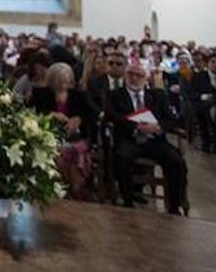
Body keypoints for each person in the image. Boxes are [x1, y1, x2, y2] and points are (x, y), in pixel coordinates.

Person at [108, 58, 187, 215]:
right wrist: (137, 126)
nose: (134, 78)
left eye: (139, 75)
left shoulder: (158, 95)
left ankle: (174, 206)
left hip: (154, 140)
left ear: (146, 78)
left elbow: (173, 119)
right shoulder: (115, 95)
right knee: (122, 157)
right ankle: (127, 201)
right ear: (125, 75)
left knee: (176, 161)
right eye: (131, 74)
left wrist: (158, 127)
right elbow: (112, 116)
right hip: (129, 138)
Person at [31, 62, 96, 199]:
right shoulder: (41, 94)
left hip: (75, 138)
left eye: (66, 79)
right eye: (59, 80)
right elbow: (31, 112)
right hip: (50, 137)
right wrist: (51, 114)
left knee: (77, 151)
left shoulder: (79, 95)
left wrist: (79, 119)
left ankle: (75, 189)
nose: (63, 83)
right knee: (59, 153)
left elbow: (93, 113)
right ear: (51, 80)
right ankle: (62, 189)